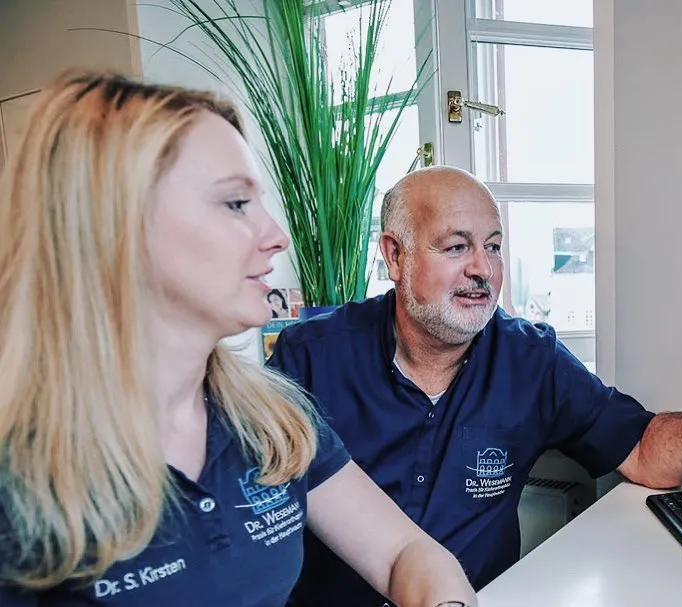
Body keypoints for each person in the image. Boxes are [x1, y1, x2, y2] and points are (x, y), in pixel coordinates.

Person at [0, 73, 476, 607]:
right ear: (115, 226)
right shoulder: (20, 472)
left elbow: (403, 552)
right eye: (234, 204)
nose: (277, 236)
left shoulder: (269, 414)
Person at [267, 166, 682, 605]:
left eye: (494, 245)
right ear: (394, 255)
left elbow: (649, 455)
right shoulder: (310, 359)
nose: (484, 269)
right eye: (457, 247)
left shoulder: (531, 358)